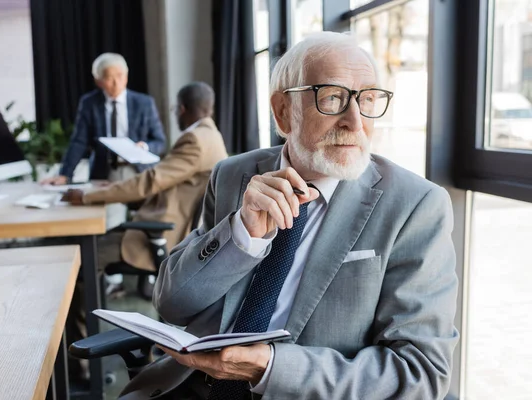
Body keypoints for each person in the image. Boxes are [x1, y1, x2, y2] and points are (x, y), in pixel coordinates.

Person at [117, 32, 459, 400]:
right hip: (194, 384)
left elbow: (420, 374)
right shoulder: (233, 174)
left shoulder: (416, 205)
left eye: (368, 99)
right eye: (333, 98)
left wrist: (269, 368)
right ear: (283, 112)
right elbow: (172, 302)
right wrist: (242, 234)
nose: (355, 122)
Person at [62, 80, 227, 294]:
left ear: (182, 108)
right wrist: (113, 188)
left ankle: (85, 328)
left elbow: (149, 181)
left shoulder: (194, 140)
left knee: (82, 260)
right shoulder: (212, 135)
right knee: (91, 244)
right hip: (166, 227)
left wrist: (87, 195)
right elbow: (163, 182)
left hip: (160, 235)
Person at [42, 53, 166, 185]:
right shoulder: (89, 103)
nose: (116, 82)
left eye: (120, 76)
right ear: (98, 81)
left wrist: (145, 147)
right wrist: (65, 174)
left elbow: (160, 141)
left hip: (139, 171)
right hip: (105, 172)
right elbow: (79, 142)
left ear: (127, 76)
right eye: (109, 77)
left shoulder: (144, 103)